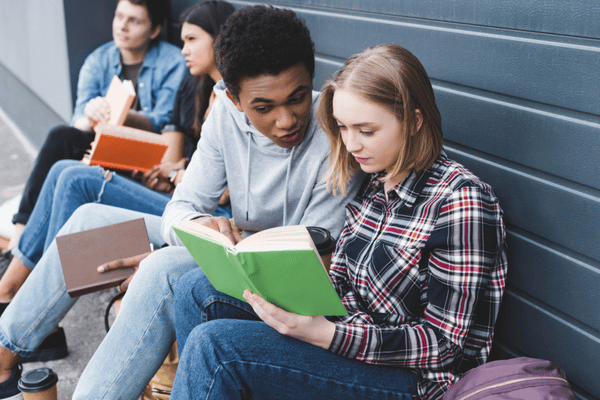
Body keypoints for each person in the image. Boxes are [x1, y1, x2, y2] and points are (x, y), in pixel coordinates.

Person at [0, 5, 366, 400]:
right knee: (91, 217)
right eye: (264, 107)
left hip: (274, 272)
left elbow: (305, 262)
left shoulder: (335, 130)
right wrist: (199, 234)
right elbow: (182, 206)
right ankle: (4, 352)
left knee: (160, 265)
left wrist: (184, 249)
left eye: (296, 98)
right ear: (235, 99)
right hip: (230, 243)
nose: (286, 120)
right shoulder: (224, 113)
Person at [169, 44, 509, 400]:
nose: (351, 145)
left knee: (219, 348)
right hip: (346, 337)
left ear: (415, 121)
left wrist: (323, 334)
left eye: (366, 130)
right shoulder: (376, 183)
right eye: (343, 128)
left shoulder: (460, 202)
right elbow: (342, 283)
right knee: (197, 289)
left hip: (410, 380)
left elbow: (445, 346)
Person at [0, 1, 235, 365]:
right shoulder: (196, 85)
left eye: (191, 39)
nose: (184, 48)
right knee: (66, 161)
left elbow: (229, 189)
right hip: (178, 199)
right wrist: (171, 172)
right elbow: (171, 159)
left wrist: (177, 174)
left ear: (220, 41)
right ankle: (17, 290)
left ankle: (17, 293)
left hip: (211, 217)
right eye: (183, 39)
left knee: (76, 177)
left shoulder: (236, 99)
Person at [0, 0, 186, 263]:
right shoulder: (98, 60)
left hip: (148, 162)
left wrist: (125, 116)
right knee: (61, 137)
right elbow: (78, 124)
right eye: (119, 16)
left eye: (134, 20)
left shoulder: (173, 62)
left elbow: (166, 121)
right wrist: (92, 114)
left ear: (154, 30)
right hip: (105, 151)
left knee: (68, 168)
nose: (122, 26)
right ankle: (17, 244)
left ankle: (29, 258)